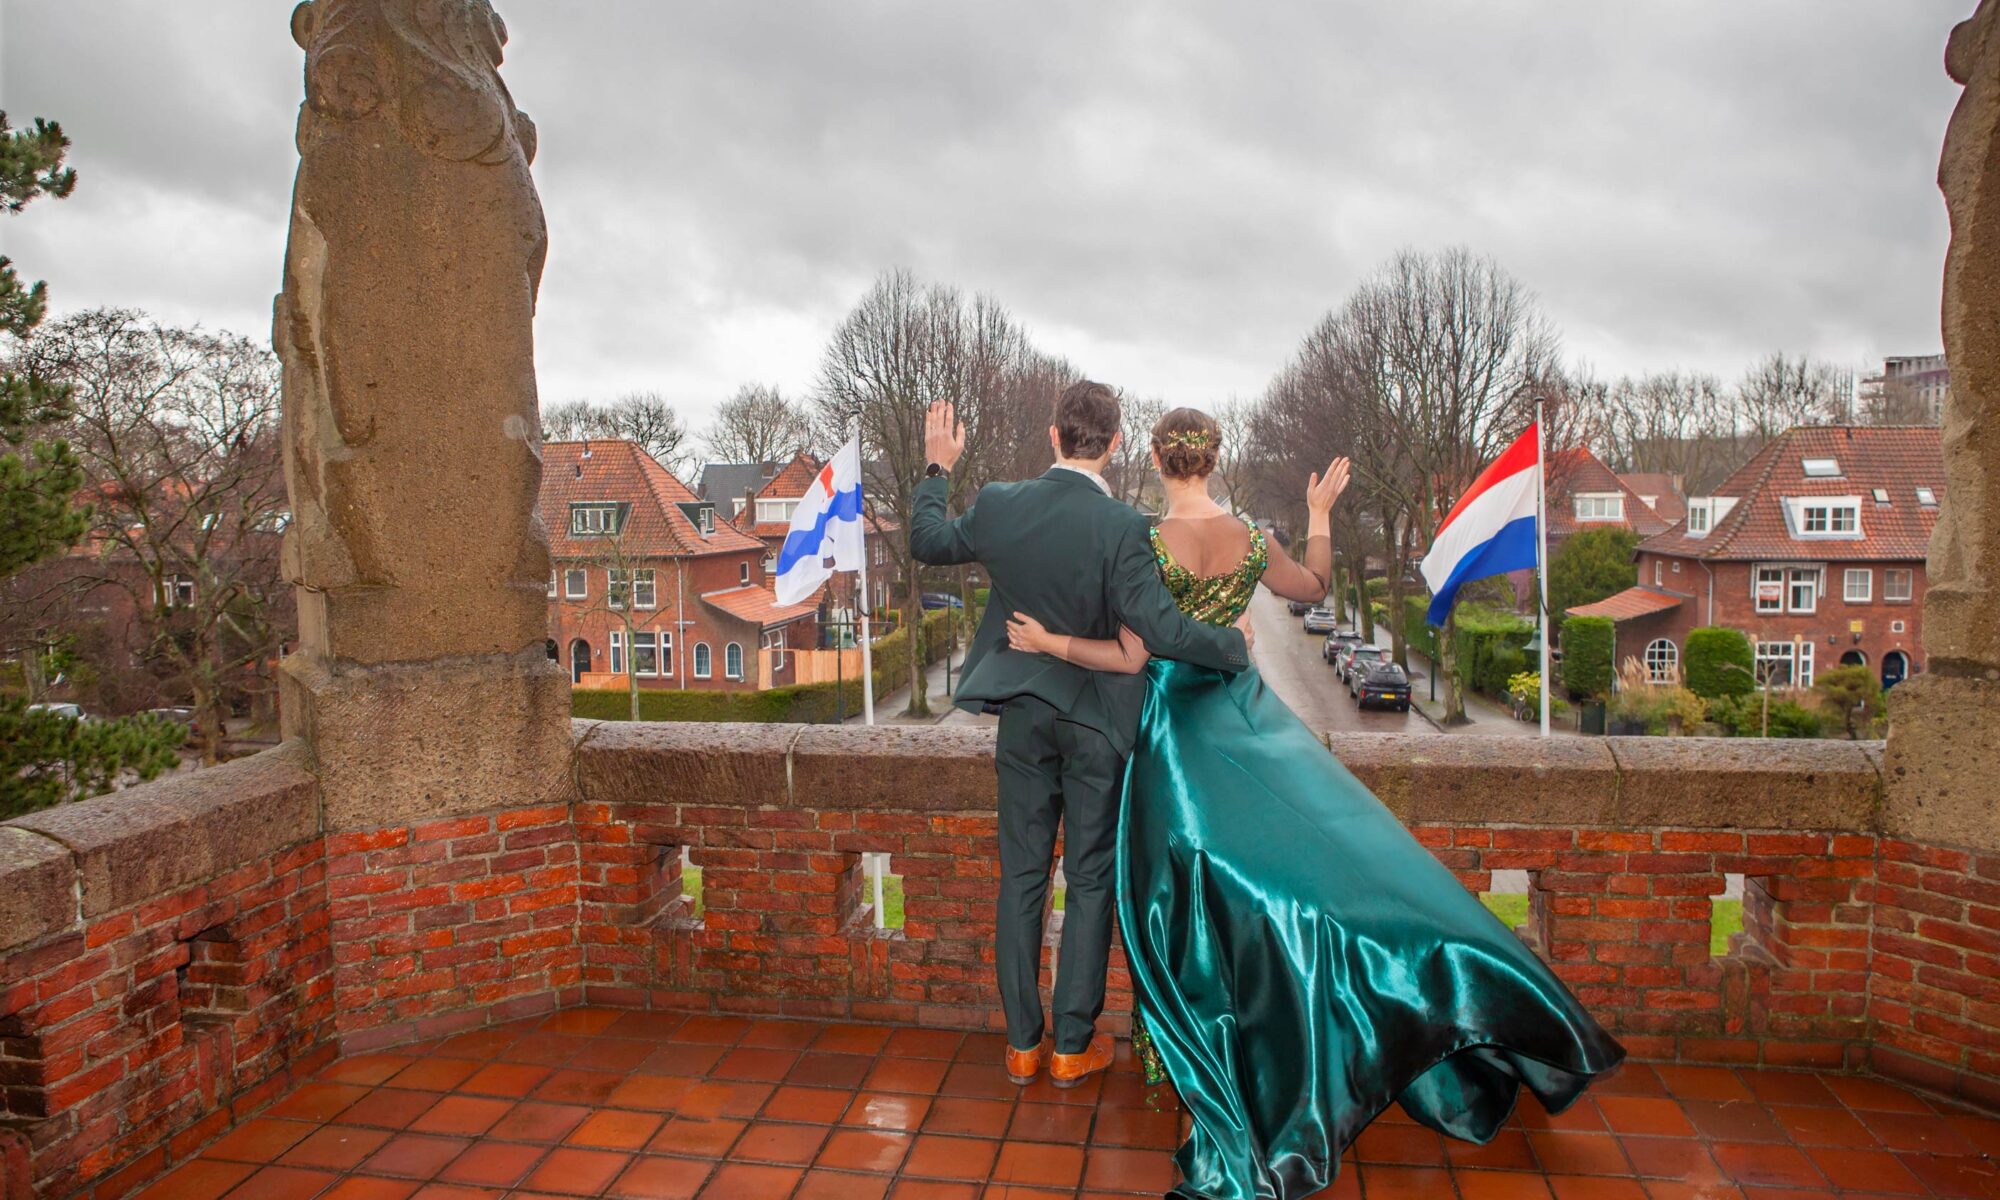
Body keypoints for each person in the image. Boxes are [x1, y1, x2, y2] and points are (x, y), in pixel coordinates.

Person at [1005, 406, 1625, 1200]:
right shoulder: (1252, 541)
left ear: (1157, 461)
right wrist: (1319, 515)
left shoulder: (1143, 543)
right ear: (1213, 460)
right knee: (1331, 852)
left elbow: (1130, 657)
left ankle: (1217, 1055)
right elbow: (1317, 586)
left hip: (1173, 735)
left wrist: (1050, 644)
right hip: (1247, 715)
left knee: (1189, 900)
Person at [908, 381, 1253, 1091]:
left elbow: (928, 541)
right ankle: (1072, 1045)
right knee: (1090, 878)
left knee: (1023, 878)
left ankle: (1022, 1046)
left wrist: (938, 467)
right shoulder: (1126, 529)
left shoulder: (1002, 505)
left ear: (1053, 436)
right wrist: (1233, 646)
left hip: (1024, 719)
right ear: (1118, 443)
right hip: (1099, 724)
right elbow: (1161, 632)